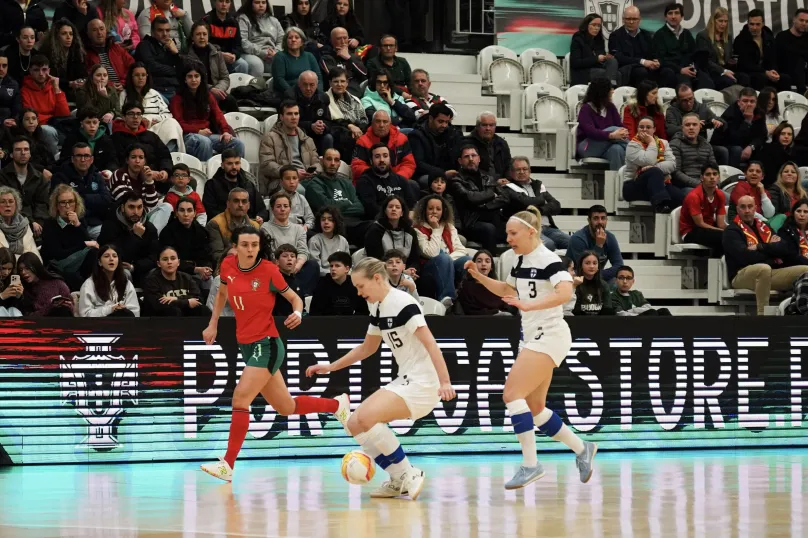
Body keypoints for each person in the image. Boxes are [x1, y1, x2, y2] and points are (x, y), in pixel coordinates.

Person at [463, 207, 596, 489]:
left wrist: (529, 305)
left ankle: (531, 465)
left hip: (550, 334)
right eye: (508, 233)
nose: (508, 238)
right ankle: (582, 448)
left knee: (511, 393)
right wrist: (478, 276)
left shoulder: (549, 259)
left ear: (530, 232)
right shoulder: (519, 260)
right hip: (532, 336)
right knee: (535, 408)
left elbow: (565, 292)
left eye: (513, 233)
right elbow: (507, 291)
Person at [201, 225, 346, 482]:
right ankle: (337, 404)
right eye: (244, 245)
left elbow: (295, 299)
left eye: (254, 245)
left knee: (240, 398)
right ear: (234, 246)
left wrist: (298, 313)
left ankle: (228, 464)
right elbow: (223, 292)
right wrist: (213, 323)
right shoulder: (228, 265)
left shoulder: (268, 270)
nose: (249, 249)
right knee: (285, 407)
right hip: (246, 344)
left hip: (267, 345)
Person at [305, 256, 455, 499]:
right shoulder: (376, 306)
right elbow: (367, 348)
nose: (358, 292)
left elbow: (431, 344)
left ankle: (409, 472)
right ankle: (397, 479)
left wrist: (445, 381)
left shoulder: (403, 303)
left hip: (423, 383)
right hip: (406, 378)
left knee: (364, 416)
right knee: (354, 424)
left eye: (360, 286)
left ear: (377, 278)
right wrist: (331, 367)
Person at [724, 194, 808, 315]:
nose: (747, 210)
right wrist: (771, 253)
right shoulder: (731, 231)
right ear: (737, 210)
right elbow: (744, 257)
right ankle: (762, 316)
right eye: (743, 207)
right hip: (741, 274)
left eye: (750, 206)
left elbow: (784, 248)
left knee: (805, 270)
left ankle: (799, 309)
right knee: (763, 268)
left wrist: (760, 247)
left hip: (769, 271)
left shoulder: (764, 227)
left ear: (755, 209)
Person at [169, 61, 245, 162]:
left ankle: (238, 174)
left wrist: (225, 131)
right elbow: (178, 123)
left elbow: (218, 115)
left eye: (196, 76)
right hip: (187, 136)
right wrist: (198, 131)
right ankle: (205, 175)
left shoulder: (208, 96)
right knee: (204, 142)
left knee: (237, 143)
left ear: (201, 78)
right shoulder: (177, 99)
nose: (194, 80)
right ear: (185, 79)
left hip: (207, 134)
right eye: (190, 76)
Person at [412, 194, 470, 305]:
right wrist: (436, 229)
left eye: (438, 209)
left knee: (467, 260)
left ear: (443, 211)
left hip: (448, 263)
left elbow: (462, 251)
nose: (434, 211)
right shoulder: (417, 230)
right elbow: (431, 253)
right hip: (427, 271)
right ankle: (447, 299)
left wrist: (449, 261)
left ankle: (466, 299)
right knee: (443, 258)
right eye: (430, 208)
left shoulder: (449, 226)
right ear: (424, 210)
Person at [449, 144, 507, 253]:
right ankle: (491, 262)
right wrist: (491, 194)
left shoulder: (488, 177)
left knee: (514, 226)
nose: (471, 159)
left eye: (473, 155)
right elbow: (470, 198)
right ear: (460, 161)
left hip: (493, 218)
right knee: (489, 229)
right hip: (471, 222)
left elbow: (504, 198)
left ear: (479, 159)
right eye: (466, 157)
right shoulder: (456, 180)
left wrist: (484, 205)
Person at [260, 191, 320, 296]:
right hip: (277, 266)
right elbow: (269, 253)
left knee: (312, 265)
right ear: (272, 209)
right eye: (278, 206)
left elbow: (303, 251)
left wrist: (297, 265)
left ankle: (302, 296)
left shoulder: (299, 229)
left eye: (285, 206)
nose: (282, 209)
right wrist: (285, 266)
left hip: (295, 266)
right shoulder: (265, 228)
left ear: (290, 208)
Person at [40, 184, 99, 291]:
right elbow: (58, 254)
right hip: (57, 265)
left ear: (76, 204)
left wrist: (77, 225)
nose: (67, 206)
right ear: (57, 205)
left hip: (77, 262)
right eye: (63, 202)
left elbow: (86, 240)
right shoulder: (50, 224)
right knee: (74, 277)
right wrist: (84, 244)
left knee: (94, 253)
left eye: (71, 202)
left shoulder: (80, 220)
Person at [501, 156, 567, 250]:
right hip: (528, 230)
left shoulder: (538, 185)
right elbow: (524, 203)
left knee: (572, 242)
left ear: (529, 170)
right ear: (511, 172)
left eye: (525, 169)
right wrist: (541, 200)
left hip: (548, 228)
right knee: (548, 244)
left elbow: (556, 205)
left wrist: (540, 210)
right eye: (518, 170)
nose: (522, 172)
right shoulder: (508, 188)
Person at [51, 142, 114, 239]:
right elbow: (61, 203)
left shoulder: (97, 176)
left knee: (109, 239)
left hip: (95, 223)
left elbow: (106, 200)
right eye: (79, 156)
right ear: (72, 159)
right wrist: (93, 201)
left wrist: (80, 197)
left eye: (86, 156)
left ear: (92, 159)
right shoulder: (60, 177)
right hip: (70, 225)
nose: (83, 159)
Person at [305, 148, 367, 244]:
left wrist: (337, 206)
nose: (333, 163)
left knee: (375, 226)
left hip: (353, 224)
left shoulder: (347, 183)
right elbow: (325, 206)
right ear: (322, 161)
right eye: (329, 159)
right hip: (330, 225)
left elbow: (359, 208)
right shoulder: (314, 183)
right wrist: (347, 202)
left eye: (336, 160)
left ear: (339, 163)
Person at [622, 116, 683, 214]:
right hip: (634, 186)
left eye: (648, 127)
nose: (644, 129)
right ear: (637, 129)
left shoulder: (664, 143)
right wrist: (651, 142)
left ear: (654, 129)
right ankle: (661, 205)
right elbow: (648, 160)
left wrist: (654, 167)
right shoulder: (632, 145)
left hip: (661, 183)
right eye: (641, 127)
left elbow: (672, 164)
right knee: (654, 172)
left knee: (682, 198)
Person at [119, 62, 185, 152]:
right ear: (131, 77)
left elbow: (167, 114)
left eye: (143, 75)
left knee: (172, 123)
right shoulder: (124, 95)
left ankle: (171, 157)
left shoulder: (153, 93)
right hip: (136, 128)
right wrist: (141, 121)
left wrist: (153, 120)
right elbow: (121, 115)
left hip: (156, 126)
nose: (141, 78)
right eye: (137, 75)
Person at [108, 143, 174, 233]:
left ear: (145, 161)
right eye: (133, 157)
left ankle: (151, 235)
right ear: (127, 160)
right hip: (123, 218)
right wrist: (144, 206)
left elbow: (152, 204)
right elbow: (129, 203)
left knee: (167, 206)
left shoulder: (144, 176)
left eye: (141, 157)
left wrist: (149, 181)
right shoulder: (118, 175)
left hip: (142, 215)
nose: (137, 161)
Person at [97, 190, 159, 285]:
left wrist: (134, 267)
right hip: (117, 270)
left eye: (139, 207)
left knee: (156, 273)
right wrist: (135, 236)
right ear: (122, 208)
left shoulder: (149, 228)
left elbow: (154, 257)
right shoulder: (110, 226)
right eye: (131, 207)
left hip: (141, 269)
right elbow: (114, 256)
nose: (136, 212)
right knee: (124, 274)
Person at [258, 100, 319, 195]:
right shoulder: (270, 138)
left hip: (307, 179)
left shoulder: (307, 140)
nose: (294, 117)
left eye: (296, 114)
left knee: (327, 190)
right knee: (302, 191)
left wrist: (313, 171)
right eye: (289, 114)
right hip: (280, 181)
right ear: (281, 117)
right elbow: (267, 165)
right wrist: (293, 174)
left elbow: (316, 163)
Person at [111, 101, 173, 184]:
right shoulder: (115, 138)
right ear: (123, 117)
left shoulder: (151, 136)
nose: (135, 117)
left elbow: (165, 156)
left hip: (157, 178)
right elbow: (116, 163)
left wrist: (165, 171)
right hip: (131, 180)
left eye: (139, 114)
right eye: (131, 114)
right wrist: (145, 173)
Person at [20, 55, 71, 156]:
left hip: (58, 125)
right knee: (47, 130)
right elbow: (30, 116)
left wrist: (56, 88)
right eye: (36, 70)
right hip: (41, 127)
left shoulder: (53, 87)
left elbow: (64, 114)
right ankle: (56, 159)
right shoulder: (24, 91)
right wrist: (50, 118)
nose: (41, 74)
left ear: (49, 70)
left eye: (44, 70)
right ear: (30, 71)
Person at [575, 77, 628, 171]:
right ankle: (636, 150)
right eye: (610, 89)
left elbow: (620, 127)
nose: (612, 92)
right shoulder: (586, 109)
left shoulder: (610, 107)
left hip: (606, 146)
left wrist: (619, 133)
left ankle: (617, 184)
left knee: (616, 150)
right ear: (602, 92)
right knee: (613, 128)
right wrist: (611, 135)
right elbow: (591, 132)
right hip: (587, 147)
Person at [0, 137, 48, 237]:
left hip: (36, 226)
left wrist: (38, 222)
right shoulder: (2, 176)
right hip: (9, 223)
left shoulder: (39, 177)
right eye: (18, 149)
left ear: (30, 154)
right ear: (11, 154)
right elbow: (6, 205)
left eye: (26, 149)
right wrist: (30, 221)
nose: (23, 153)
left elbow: (42, 204)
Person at [186, 22, 238, 113]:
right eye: (198, 34)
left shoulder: (217, 53)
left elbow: (225, 77)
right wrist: (210, 89)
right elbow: (189, 80)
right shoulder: (186, 56)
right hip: (196, 92)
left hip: (217, 91)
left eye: (204, 34)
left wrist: (218, 89)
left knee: (231, 101)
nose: (202, 37)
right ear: (192, 37)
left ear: (208, 36)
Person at [142, 245, 209, 316]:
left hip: (186, 315)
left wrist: (176, 299)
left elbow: (198, 299)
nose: (169, 262)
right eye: (165, 259)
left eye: (173, 258)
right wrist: (187, 301)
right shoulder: (152, 280)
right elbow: (158, 304)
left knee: (203, 309)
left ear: (178, 262)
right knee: (172, 311)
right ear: (159, 264)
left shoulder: (186, 278)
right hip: (161, 319)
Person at [356, 144, 417, 220]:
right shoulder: (364, 182)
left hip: (402, 220)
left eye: (385, 156)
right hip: (379, 222)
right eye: (377, 156)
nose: (382, 160)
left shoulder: (400, 180)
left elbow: (412, 204)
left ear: (390, 159)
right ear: (371, 161)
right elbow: (371, 209)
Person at [351, 110, 416, 182]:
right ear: (372, 123)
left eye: (385, 122)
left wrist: (397, 179)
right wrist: (380, 177)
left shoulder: (402, 139)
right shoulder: (362, 141)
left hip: (397, 180)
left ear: (390, 124)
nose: (381, 125)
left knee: (412, 184)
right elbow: (357, 167)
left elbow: (409, 164)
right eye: (378, 121)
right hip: (371, 181)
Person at [710, 87, 767, 168]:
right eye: (745, 101)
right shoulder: (730, 114)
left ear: (756, 102)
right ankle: (733, 175)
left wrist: (751, 146)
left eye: (752, 101)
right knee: (737, 149)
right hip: (724, 145)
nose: (749, 104)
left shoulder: (759, 113)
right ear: (738, 102)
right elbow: (735, 139)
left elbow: (763, 135)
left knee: (767, 149)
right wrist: (747, 121)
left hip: (746, 146)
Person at [734, 9, 790, 91]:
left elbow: (773, 59)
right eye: (752, 24)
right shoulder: (741, 39)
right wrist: (765, 72)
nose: (754, 27)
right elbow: (745, 64)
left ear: (763, 24)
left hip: (766, 71)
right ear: (748, 24)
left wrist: (773, 71)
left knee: (785, 78)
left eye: (757, 24)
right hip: (749, 72)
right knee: (760, 78)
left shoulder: (769, 38)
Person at [204, 149, 265, 223]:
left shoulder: (249, 185)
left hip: (248, 226)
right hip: (223, 226)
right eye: (229, 164)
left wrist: (260, 217)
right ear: (222, 165)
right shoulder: (211, 185)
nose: (234, 167)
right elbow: (210, 211)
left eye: (237, 163)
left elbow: (262, 209)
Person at [409, 103, 462, 189]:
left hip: (450, 173)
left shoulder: (452, 133)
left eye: (447, 122)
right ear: (430, 119)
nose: (444, 125)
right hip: (426, 175)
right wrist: (443, 173)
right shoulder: (417, 135)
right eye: (440, 121)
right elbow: (419, 164)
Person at [78, 244, 139, 317]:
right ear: (99, 262)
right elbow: (85, 314)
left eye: (114, 256)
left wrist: (122, 309)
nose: (111, 259)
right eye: (106, 256)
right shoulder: (89, 284)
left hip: (122, 325)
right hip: (98, 325)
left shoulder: (126, 283)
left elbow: (135, 312)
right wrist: (111, 309)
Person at [694, 7, 746, 90]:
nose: (723, 24)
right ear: (713, 21)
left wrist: (732, 61)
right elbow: (705, 61)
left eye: (725, 21)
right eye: (720, 21)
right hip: (712, 72)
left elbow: (728, 57)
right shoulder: (703, 36)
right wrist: (723, 71)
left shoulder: (728, 37)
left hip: (726, 70)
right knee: (727, 81)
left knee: (744, 78)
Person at [679, 163, 727, 252]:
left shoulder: (720, 195)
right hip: (691, 231)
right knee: (723, 237)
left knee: (735, 235)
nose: (712, 177)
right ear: (702, 178)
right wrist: (722, 231)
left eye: (715, 174)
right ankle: (716, 263)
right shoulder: (694, 196)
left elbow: (721, 224)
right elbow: (700, 224)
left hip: (709, 229)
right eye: (708, 174)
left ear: (718, 177)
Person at [365, 194, 419, 271]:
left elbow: (415, 259)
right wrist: (401, 273)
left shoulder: (410, 232)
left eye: (397, 207)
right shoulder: (375, 230)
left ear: (402, 213)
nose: (394, 209)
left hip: (406, 272)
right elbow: (375, 260)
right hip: (381, 272)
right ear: (385, 211)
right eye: (390, 207)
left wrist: (412, 270)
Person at [608, 6, 659, 88]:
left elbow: (652, 53)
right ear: (623, 19)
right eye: (628, 19)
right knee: (641, 72)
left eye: (634, 19)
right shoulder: (615, 35)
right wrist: (642, 61)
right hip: (627, 68)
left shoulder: (646, 35)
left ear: (639, 20)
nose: (631, 22)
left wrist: (655, 61)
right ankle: (641, 98)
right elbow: (618, 57)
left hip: (646, 66)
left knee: (665, 71)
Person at [134, 17, 183, 101]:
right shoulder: (144, 45)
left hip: (175, 89)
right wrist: (174, 70)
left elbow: (182, 68)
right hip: (156, 90)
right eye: (160, 30)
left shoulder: (171, 46)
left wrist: (175, 53)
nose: (165, 34)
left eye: (167, 30)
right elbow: (151, 67)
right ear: (152, 32)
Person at [324, 67, 367, 160]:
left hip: (359, 130)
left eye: (342, 81)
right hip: (339, 132)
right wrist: (350, 126)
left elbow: (364, 119)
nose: (339, 84)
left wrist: (358, 128)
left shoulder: (354, 99)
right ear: (330, 83)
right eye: (336, 81)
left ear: (347, 83)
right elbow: (330, 122)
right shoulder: (325, 99)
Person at [37, 19, 87, 99]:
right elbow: (47, 77)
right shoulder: (46, 52)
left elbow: (82, 73)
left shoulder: (77, 52)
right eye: (64, 34)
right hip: (52, 91)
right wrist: (69, 83)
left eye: (71, 34)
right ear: (56, 36)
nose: (68, 37)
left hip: (74, 91)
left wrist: (81, 81)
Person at [206, 187, 261, 260]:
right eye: (236, 201)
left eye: (244, 201)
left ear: (248, 205)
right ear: (228, 204)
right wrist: (229, 253)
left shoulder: (255, 226)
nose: (240, 205)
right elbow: (216, 255)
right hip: (227, 266)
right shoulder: (215, 224)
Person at [59, 106, 118, 173]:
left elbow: (112, 160)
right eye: (88, 122)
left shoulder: (106, 139)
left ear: (99, 123)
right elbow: (65, 160)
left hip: (102, 175)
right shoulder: (72, 138)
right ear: (81, 124)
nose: (92, 126)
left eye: (95, 122)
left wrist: (109, 171)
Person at [652, 3, 697, 88]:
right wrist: (680, 70)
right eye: (670, 13)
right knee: (683, 81)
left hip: (688, 69)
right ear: (665, 17)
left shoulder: (686, 33)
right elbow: (660, 60)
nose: (673, 16)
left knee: (706, 80)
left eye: (676, 13)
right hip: (671, 70)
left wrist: (693, 67)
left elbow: (693, 54)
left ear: (682, 17)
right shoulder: (659, 35)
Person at [308, 251, 368, 315]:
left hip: (350, 323)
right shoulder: (322, 284)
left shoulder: (356, 284)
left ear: (347, 269)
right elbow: (314, 313)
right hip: (326, 322)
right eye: (331, 266)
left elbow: (363, 312)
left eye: (337, 266)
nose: (333, 269)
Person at [236, 0, 285, 78]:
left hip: (272, 54)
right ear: (251, 4)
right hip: (251, 53)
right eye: (257, 2)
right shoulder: (243, 18)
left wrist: (276, 52)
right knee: (257, 64)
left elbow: (282, 39)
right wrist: (262, 53)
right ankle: (255, 89)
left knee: (286, 63)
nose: (261, 5)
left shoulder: (274, 20)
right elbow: (243, 41)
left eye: (263, 2)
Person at [670, 112, 717, 191]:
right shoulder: (674, 144)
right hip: (685, 187)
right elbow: (676, 173)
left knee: (730, 199)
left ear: (699, 127)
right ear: (682, 128)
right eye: (687, 125)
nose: (691, 127)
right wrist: (699, 184)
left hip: (706, 184)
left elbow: (714, 168)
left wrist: (715, 182)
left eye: (694, 125)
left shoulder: (706, 145)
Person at [16, 252, 74, 316]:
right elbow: (28, 317)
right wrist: (49, 307)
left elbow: (70, 309)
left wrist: (69, 306)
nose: (23, 272)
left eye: (27, 268)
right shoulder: (23, 290)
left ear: (36, 266)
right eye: (21, 269)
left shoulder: (57, 283)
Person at [288, 70, 332, 153]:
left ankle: (325, 164)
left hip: (316, 134)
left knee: (328, 138)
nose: (308, 88)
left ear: (316, 85)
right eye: (305, 85)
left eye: (312, 85)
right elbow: (287, 122)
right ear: (299, 84)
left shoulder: (323, 97)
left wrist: (323, 126)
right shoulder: (290, 96)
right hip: (295, 133)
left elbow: (329, 122)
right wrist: (310, 126)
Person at [202, 0, 250, 74]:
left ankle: (240, 86)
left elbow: (238, 45)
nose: (224, 4)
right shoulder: (206, 20)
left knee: (243, 64)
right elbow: (204, 45)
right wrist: (220, 55)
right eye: (221, 1)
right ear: (215, 2)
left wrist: (234, 55)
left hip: (229, 58)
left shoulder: (233, 22)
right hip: (211, 57)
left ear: (230, 4)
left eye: (227, 2)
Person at [569, 13, 618, 86]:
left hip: (597, 67)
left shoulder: (599, 39)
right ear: (586, 25)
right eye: (594, 25)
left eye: (598, 26)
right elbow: (575, 63)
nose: (597, 28)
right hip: (583, 71)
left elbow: (601, 58)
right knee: (606, 74)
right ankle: (609, 90)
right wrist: (596, 59)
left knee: (613, 62)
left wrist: (605, 58)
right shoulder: (578, 38)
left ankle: (609, 89)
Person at [456, 249, 509, 315]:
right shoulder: (466, 286)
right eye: (479, 261)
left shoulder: (497, 285)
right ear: (473, 265)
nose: (483, 264)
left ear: (491, 267)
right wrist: (495, 312)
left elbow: (508, 306)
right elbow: (469, 310)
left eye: (487, 261)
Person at [463, 111, 511, 183]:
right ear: (477, 126)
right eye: (484, 125)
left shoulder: (502, 143)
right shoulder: (466, 142)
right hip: (476, 185)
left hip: (502, 184)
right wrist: (494, 181)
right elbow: (469, 170)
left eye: (491, 125)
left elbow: (508, 166)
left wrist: (507, 180)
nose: (488, 128)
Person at [84, 19, 134, 89]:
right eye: (94, 30)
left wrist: (123, 83)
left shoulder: (117, 48)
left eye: (101, 29)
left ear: (106, 31)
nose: (99, 33)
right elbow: (88, 76)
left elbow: (132, 67)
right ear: (88, 34)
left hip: (124, 88)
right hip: (101, 90)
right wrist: (110, 85)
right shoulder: (85, 54)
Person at [319, 27, 367, 98]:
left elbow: (364, 73)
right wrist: (351, 73)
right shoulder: (326, 58)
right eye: (339, 39)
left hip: (355, 93)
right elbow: (335, 76)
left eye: (345, 38)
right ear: (332, 41)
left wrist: (348, 58)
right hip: (336, 94)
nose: (343, 41)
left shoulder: (354, 57)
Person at [0, 186, 39, 261]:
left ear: (16, 205)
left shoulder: (23, 224)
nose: (7, 205)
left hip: (24, 267)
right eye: (3, 202)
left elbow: (33, 252)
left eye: (11, 201)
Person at [308, 205, 349, 275]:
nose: (326, 222)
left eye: (330, 219)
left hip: (342, 276)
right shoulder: (314, 241)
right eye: (323, 219)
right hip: (324, 278)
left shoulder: (343, 240)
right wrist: (334, 273)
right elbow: (316, 268)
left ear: (336, 222)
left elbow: (347, 263)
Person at [775, 9, 808, 94]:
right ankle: (803, 93)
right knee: (798, 61)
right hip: (785, 71)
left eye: (807, 21)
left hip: (803, 72)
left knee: (801, 63)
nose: (804, 23)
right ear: (794, 19)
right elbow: (775, 58)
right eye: (801, 20)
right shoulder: (782, 37)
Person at [572, 251, 614, 316]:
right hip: (578, 322)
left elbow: (608, 310)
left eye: (595, 263)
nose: (592, 266)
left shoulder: (604, 285)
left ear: (598, 266)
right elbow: (574, 311)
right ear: (581, 265)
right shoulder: (575, 283)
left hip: (599, 323)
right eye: (587, 263)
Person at [17, 108, 56, 178]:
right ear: (21, 122)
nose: (31, 122)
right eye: (27, 119)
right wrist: (42, 170)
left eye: (34, 119)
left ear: (37, 121)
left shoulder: (40, 136)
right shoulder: (18, 140)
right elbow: (23, 162)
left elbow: (50, 159)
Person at [757, 122, 794, 186]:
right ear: (777, 135)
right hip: (770, 185)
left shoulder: (792, 152)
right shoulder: (768, 148)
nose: (786, 136)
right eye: (783, 134)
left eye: (789, 134)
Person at [777, 198, 808, 266]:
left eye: (805, 212)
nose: (802, 214)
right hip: (795, 268)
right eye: (798, 211)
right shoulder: (785, 231)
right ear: (793, 213)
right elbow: (792, 257)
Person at [0, 247, 23, 316]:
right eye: (3, 268)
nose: (6, 273)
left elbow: (18, 308)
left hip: (10, 316)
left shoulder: (11, 279)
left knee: (14, 310)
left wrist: (18, 297)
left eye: (9, 269)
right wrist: (1, 296)